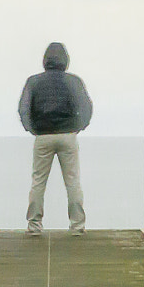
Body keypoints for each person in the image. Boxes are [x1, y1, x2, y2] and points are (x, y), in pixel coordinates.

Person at [18, 41, 93, 234]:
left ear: (45, 60)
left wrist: (32, 129)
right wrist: (78, 127)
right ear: (65, 60)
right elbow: (86, 107)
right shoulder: (73, 81)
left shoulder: (33, 82)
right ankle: (77, 226)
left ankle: (34, 225)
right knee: (73, 181)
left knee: (38, 182)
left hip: (43, 136)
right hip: (68, 135)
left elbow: (24, 109)